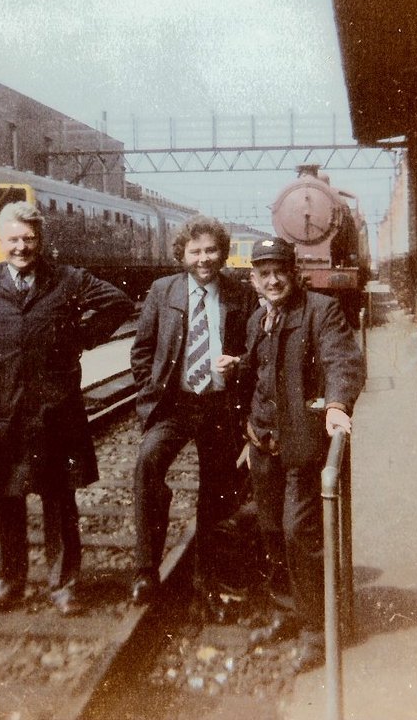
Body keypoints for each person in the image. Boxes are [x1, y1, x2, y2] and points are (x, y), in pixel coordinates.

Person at [0, 201, 133, 615]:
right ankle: (8, 582)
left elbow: (118, 302)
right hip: (4, 413)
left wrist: (82, 336)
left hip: (55, 412)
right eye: (13, 239)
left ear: (41, 240)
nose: (21, 247)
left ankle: (64, 585)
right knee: (5, 500)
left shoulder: (67, 279)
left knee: (59, 501)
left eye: (29, 239)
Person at [231, 236, 365, 672]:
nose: (273, 281)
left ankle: (315, 629)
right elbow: (259, 374)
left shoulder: (320, 311)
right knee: (271, 530)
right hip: (263, 444)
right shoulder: (257, 319)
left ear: (294, 273)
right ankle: (287, 611)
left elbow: (342, 361)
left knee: (298, 533)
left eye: (280, 272)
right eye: (264, 274)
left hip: (302, 447)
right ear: (254, 280)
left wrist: (337, 405)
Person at [130, 215, 255, 612]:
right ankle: (145, 571)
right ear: (182, 255)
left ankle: (208, 578)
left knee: (217, 492)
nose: (204, 259)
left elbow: (256, 353)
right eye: (195, 251)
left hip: (220, 406)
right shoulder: (162, 290)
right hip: (174, 406)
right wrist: (151, 390)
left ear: (223, 253)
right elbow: (142, 349)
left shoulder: (240, 294)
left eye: (211, 250)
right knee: (148, 465)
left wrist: (239, 365)